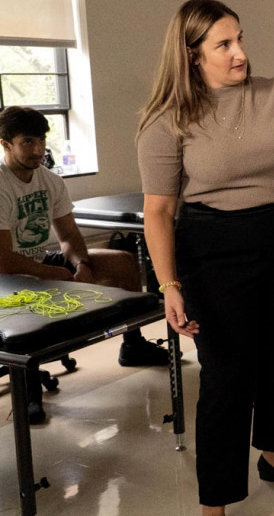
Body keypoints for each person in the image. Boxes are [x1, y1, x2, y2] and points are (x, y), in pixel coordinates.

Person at [137, 0, 274, 516]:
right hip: (213, 251)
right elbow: (157, 212)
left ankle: (273, 453)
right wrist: (169, 285)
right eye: (223, 45)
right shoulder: (167, 119)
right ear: (192, 55)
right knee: (226, 377)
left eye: (240, 39)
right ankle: (214, 507)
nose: (240, 53)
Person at [0, 106, 170, 424]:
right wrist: (58, 274)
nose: (38, 150)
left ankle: (132, 345)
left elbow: (67, 235)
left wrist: (79, 263)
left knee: (122, 262)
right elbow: (4, 261)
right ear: (6, 143)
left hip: (38, 262)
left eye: (41, 140)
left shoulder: (49, 180)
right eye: (27, 142)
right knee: (32, 294)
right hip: (6, 275)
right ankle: (28, 394)